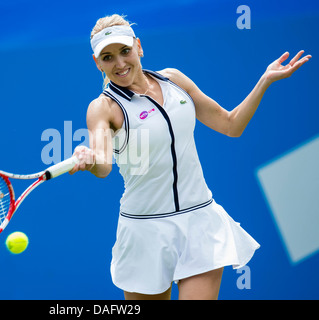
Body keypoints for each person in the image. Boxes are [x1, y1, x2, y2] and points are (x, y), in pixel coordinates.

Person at [69, 14, 311, 300]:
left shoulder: (175, 80)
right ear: (98, 63)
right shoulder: (103, 108)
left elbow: (231, 124)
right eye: (108, 57)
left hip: (199, 221)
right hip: (144, 231)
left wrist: (264, 81)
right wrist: (89, 157)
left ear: (138, 46)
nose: (120, 63)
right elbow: (104, 164)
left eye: (125, 51)